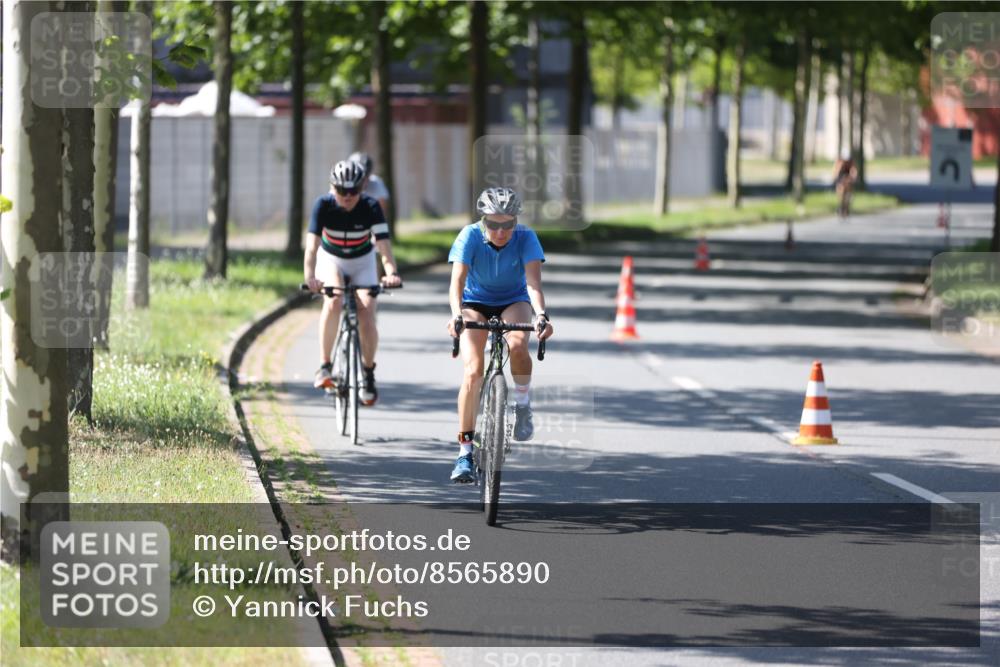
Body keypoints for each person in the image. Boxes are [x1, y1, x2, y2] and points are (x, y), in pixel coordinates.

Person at [445, 187, 554, 483]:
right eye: (493, 224)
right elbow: (457, 282)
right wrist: (456, 313)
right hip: (474, 302)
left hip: (513, 300)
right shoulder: (469, 235)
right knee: (472, 372)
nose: (501, 231)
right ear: (483, 221)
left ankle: (522, 403)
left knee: (518, 346)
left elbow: (533, 284)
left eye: (508, 224)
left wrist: (541, 315)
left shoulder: (526, 237)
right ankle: (465, 452)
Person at [304, 159, 402, 405]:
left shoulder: (370, 206)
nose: (347, 196)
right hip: (331, 258)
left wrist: (390, 272)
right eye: (341, 191)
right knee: (333, 300)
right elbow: (312, 247)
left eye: (353, 191)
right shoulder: (323, 205)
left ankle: (368, 374)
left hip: (362, 261)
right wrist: (310, 277)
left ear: (362, 189)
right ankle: (325, 366)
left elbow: (383, 247)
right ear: (331, 187)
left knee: (367, 314)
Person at [348, 151, 391, 220]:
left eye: (365, 176)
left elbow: (381, 213)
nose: (363, 181)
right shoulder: (343, 186)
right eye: (358, 176)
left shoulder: (376, 183)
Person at [833, 149, 857, 218]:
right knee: (840, 191)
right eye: (845, 160)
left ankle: (847, 205)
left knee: (849, 191)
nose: (846, 161)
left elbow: (854, 171)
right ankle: (840, 205)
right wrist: (836, 179)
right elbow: (836, 172)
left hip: (848, 177)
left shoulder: (851, 163)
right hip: (840, 177)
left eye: (847, 160)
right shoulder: (839, 162)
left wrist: (853, 177)